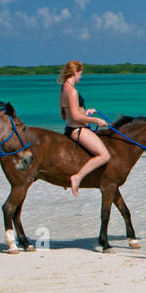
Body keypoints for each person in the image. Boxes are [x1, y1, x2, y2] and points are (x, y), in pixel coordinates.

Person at [58, 60, 110, 196]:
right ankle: (78, 177)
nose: (81, 76)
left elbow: (64, 115)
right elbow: (75, 117)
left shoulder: (63, 88)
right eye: (80, 73)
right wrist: (96, 120)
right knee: (104, 156)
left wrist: (85, 113)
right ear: (76, 72)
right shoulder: (73, 91)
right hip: (78, 130)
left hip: (69, 128)